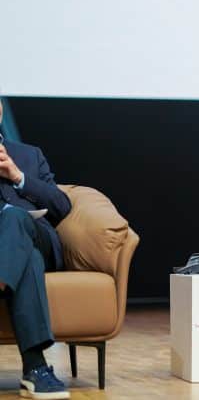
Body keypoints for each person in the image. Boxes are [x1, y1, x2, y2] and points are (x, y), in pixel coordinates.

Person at [0, 99, 72, 398]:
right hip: (22, 251)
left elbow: (61, 206)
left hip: (38, 235)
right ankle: (36, 369)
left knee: (14, 217)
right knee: (27, 258)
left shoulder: (28, 155)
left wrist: (18, 176)